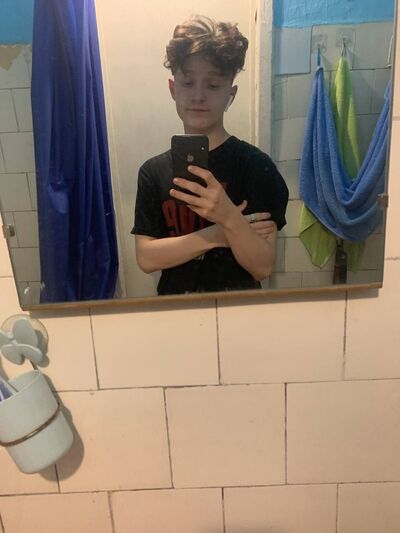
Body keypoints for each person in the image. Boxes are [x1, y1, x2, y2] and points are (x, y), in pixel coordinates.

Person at [132, 15, 288, 295]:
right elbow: (146, 258)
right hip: (175, 312)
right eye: (188, 83)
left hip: (240, 312)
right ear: (173, 89)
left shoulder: (255, 166)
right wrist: (219, 233)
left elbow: (262, 267)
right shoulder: (153, 172)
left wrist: (227, 214)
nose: (199, 96)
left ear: (231, 93)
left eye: (213, 85)